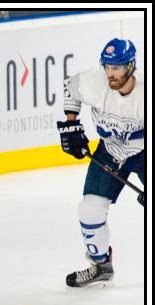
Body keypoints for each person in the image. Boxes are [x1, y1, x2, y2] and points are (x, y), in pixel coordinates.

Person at [57, 38, 145, 288]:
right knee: (89, 209)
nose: (110, 73)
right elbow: (71, 87)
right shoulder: (95, 82)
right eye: (107, 66)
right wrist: (71, 125)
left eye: (116, 68)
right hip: (110, 150)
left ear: (131, 66)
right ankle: (101, 266)